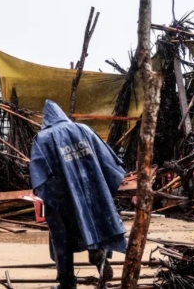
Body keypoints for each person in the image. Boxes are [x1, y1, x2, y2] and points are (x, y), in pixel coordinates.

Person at [29, 100, 127, 289]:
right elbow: (108, 161)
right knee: (95, 224)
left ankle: (67, 281)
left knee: (61, 236)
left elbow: (39, 171)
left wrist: (50, 194)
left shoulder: (43, 138)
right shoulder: (84, 129)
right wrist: (102, 188)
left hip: (61, 196)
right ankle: (98, 255)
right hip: (92, 191)